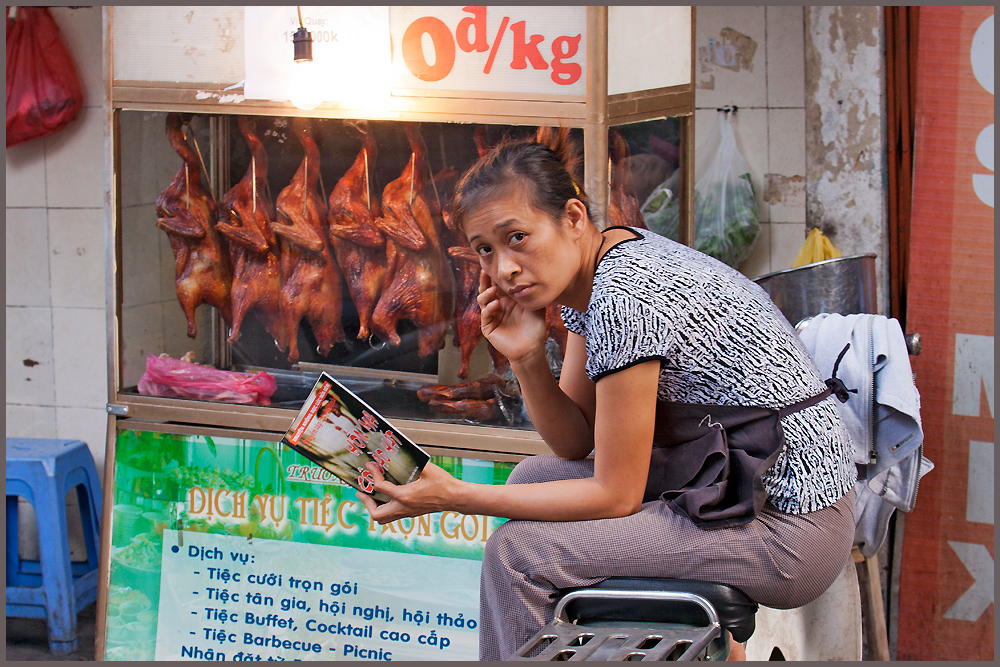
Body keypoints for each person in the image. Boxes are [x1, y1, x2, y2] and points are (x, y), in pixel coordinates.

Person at [357, 139, 857, 661]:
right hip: (728, 485)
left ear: (572, 217)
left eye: (518, 237)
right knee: (529, 477)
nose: (503, 268)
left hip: (789, 527)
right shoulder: (600, 267)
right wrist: (527, 358)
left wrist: (456, 495)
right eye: (485, 249)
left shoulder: (626, 295)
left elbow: (616, 494)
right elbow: (575, 442)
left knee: (515, 555)